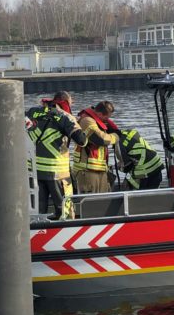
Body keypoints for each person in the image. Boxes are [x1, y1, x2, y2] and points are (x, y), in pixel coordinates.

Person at [25, 91, 87, 219]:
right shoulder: (65, 117)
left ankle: (39, 233)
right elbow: (82, 141)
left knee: (37, 210)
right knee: (64, 210)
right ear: (66, 102)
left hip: (34, 171)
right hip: (57, 172)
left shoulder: (32, 112)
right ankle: (67, 233)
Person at [72, 100, 119, 194]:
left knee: (102, 201)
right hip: (87, 171)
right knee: (89, 201)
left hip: (99, 170)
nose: (107, 120)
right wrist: (115, 136)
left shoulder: (97, 122)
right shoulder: (86, 121)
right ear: (100, 114)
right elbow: (101, 139)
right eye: (107, 117)